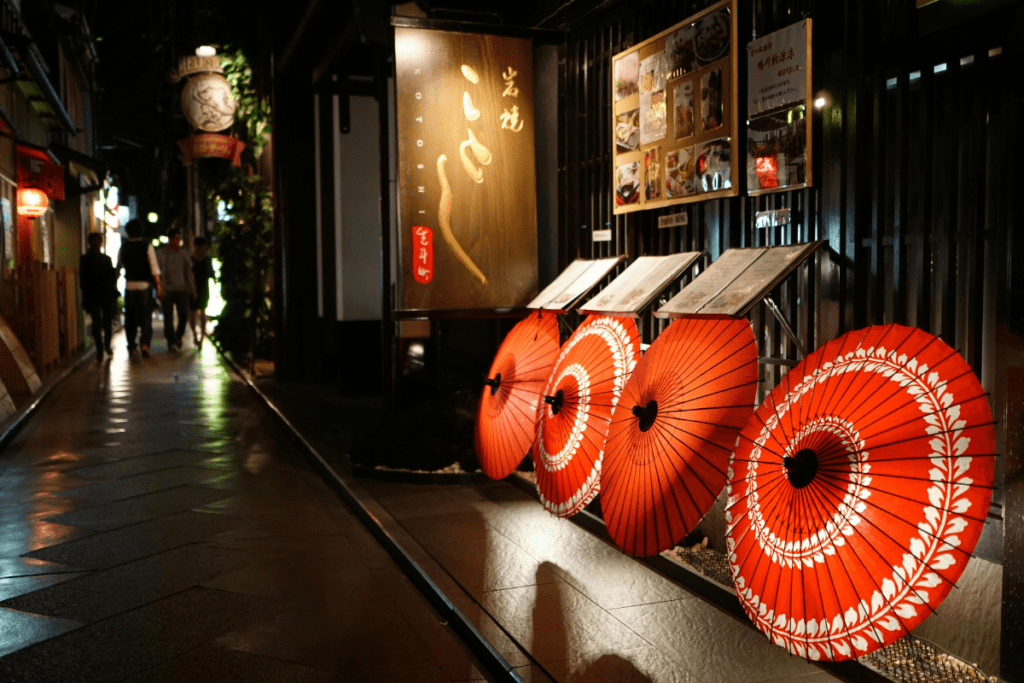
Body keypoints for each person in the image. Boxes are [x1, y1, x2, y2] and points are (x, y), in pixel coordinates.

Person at [117, 219, 163, 357]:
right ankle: (144, 344)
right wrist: (159, 287)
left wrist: (115, 283)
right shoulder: (147, 246)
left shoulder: (123, 247)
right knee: (145, 317)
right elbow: (154, 268)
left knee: (130, 317)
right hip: (144, 286)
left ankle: (131, 346)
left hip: (130, 285)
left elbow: (119, 266)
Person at [79, 232, 117, 359]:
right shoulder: (106, 259)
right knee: (107, 322)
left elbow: (82, 280)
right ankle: (106, 345)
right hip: (106, 294)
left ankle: (100, 350)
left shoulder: (84, 259)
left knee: (96, 322)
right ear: (101, 243)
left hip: (92, 295)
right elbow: (112, 277)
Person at [156, 227, 195, 352]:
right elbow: (157, 273)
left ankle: (178, 337)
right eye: (176, 238)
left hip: (182, 289)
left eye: (180, 238)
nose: (178, 241)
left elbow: (189, 271)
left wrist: (192, 289)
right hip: (167, 290)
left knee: (184, 315)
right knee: (168, 317)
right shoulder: (161, 253)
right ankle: (171, 342)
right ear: (170, 239)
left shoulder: (183, 253)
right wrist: (159, 288)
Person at [189, 236, 213, 348]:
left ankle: (200, 337)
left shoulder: (204, 258)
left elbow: (211, 273)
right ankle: (197, 336)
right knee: (196, 314)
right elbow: (210, 273)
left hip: (202, 288)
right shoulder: (193, 258)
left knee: (198, 314)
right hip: (197, 288)